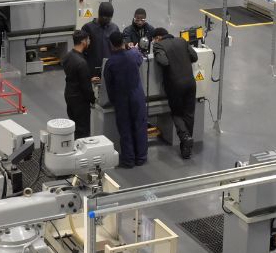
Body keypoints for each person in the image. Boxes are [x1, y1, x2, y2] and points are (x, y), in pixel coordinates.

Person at [102, 30, 148, 168]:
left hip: (121, 99)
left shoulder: (110, 63)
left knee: (125, 129)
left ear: (111, 45)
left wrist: (113, 101)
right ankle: (141, 157)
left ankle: (128, 160)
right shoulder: (133, 54)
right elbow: (140, 58)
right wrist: (131, 48)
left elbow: (109, 85)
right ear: (123, 42)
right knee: (140, 126)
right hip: (137, 96)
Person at [151, 27, 199, 159]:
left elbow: (163, 62)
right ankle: (186, 149)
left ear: (158, 37)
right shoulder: (182, 41)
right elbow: (194, 57)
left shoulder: (159, 45)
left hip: (175, 85)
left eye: (154, 39)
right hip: (190, 83)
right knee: (189, 114)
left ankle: (185, 136)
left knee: (176, 113)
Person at [63, 31, 98, 138]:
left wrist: (88, 79)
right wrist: (93, 100)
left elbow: (73, 76)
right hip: (80, 101)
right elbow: (86, 89)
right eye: (88, 39)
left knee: (75, 126)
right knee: (83, 130)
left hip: (69, 95)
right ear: (83, 41)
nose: (89, 41)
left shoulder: (68, 56)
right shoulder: (82, 63)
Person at [80, 1, 119, 74]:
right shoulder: (88, 28)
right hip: (92, 69)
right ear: (99, 14)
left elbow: (118, 48)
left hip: (110, 68)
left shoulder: (114, 28)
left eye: (109, 18)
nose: (107, 20)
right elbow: (81, 49)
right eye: (105, 18)